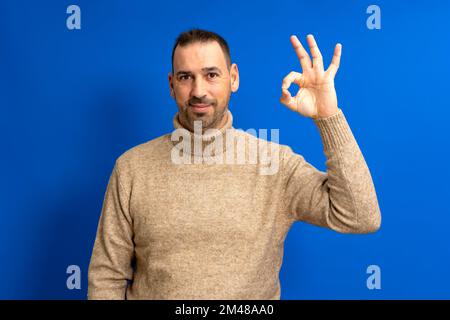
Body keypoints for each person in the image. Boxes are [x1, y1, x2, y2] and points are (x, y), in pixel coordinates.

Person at [87, 29, 381, 300]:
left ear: (234, 78)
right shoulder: (131, 168)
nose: (199, 90)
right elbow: (106, 277)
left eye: (212, 75)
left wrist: (328, 116)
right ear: (171, 84)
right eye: (185, 77)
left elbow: (360, 216)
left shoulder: (274, 164)